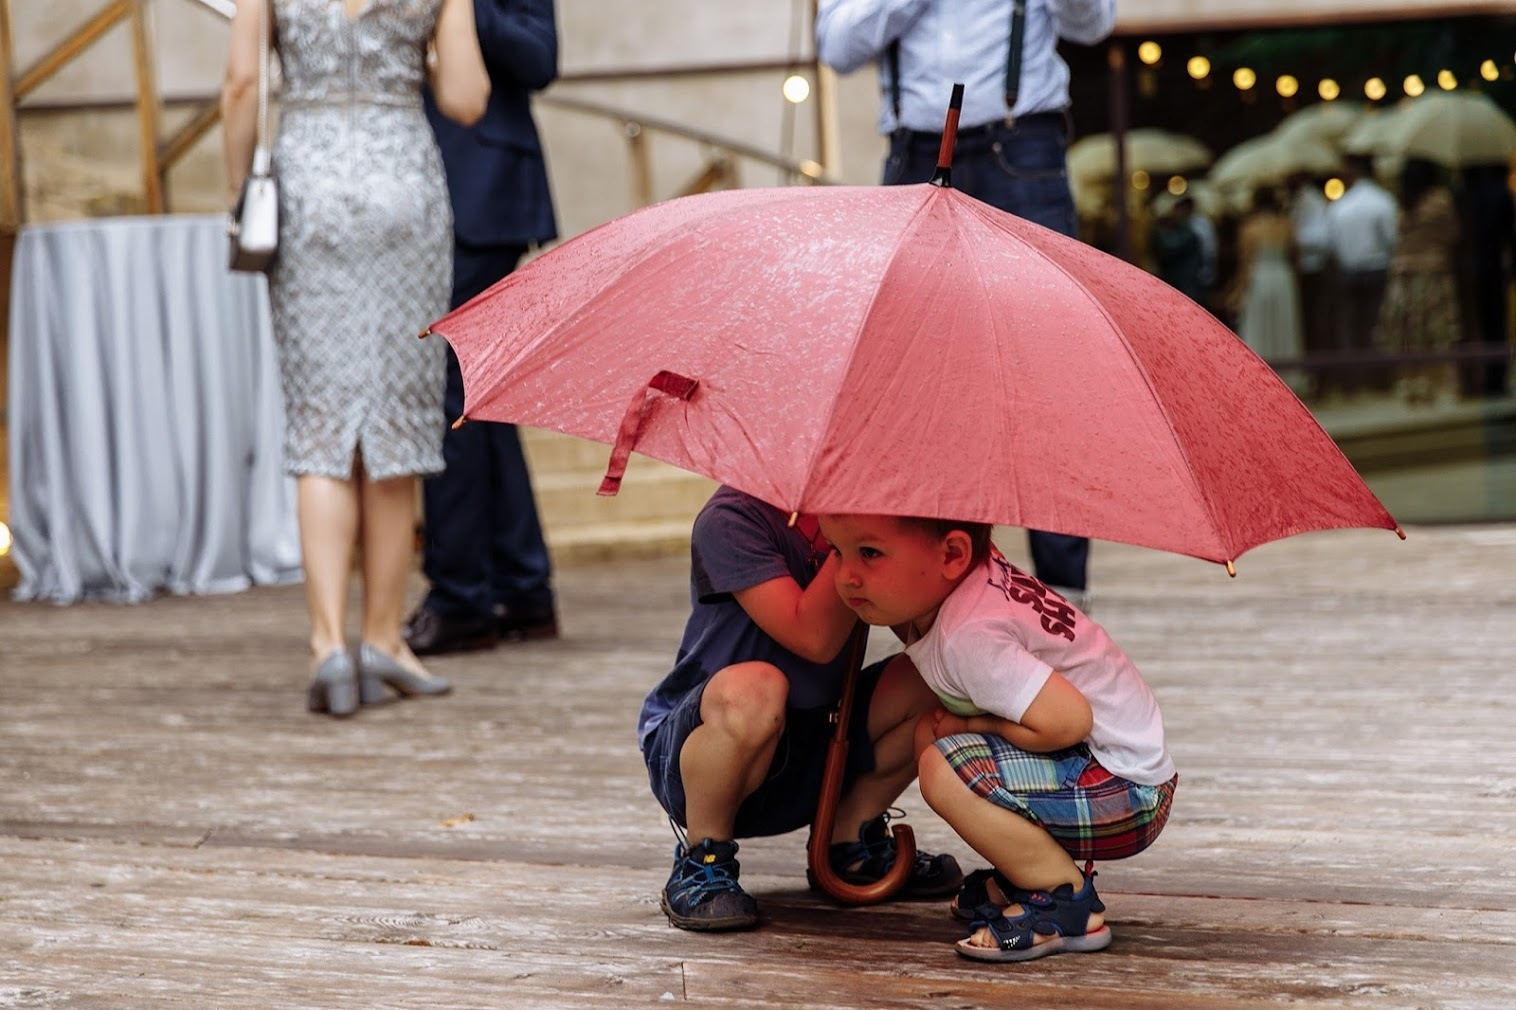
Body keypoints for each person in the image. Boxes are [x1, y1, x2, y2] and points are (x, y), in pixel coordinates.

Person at [222, 0, 489, 716]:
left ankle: (327, 646)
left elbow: (243, 83)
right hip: (404, 186)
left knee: (322, 421)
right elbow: (466, 98)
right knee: (398, 419)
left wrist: (236, 194)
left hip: (309, 189)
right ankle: (383, 637)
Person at [816, 0, 1114, 610]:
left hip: (1022, 143)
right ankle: (938, 578)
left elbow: (1094, 23)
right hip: (915, 152)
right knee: (917, 375)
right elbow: (837, 48)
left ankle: (1065, 588)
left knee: (1047, 369)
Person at [816, 511, 1176, 962]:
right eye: (835, 551)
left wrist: (970, 726)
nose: (845, 576)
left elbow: (1069, 720)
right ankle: (1024, 869)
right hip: (1113, 771)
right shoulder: (970, 584)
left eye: (869, 553)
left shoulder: (970, 636)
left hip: (1126, 795)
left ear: (952, 554)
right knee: (933, 734)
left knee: (943, 763)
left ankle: (1062, 898)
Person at [638, 486, 963, 931]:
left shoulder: (862, 513)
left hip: (822, 742)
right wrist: (858, 542)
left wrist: (918, 544)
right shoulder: (731, 518)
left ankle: (848, 840)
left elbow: (919, 625)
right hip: (714, 751)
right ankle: (703, 855)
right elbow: (813, 636)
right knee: (757, 687)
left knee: (937, 673)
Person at [404, 0, 562, 657]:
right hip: (405, 183)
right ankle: (520, 588)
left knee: (455, 403)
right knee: (478, 405)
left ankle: (464, 594)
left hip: (485, 191)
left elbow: (540, 58)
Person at [1378, 159, 1462, 407]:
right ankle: (1435, 385)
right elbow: (1453, 234)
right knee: (1435, 333)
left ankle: (1411, 385)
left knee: (1406, 335)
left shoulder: (1403, 204)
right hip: (1432, 272)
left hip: (1402, 275)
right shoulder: (1440, 202)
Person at [1324, 154, 1398, 397]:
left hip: (1349, 271)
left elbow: (1332, 245)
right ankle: (1378, 379)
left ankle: (1353, 381)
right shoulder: (1383, 201)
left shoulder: (1339, 206)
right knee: (1377, 324)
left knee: (1350, 326)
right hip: (1376, 269)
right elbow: (1391, 240)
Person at [1226, 187, 1307, 394]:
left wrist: (1237, 292)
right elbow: (1297, 255)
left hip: (1260, 277)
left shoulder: (1249, 228)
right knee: (1284, 324)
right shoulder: (1286, 225)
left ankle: (1259, 377)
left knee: (1258, 325)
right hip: (1282, 275)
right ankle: (1289, 376)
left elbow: (1245, 265)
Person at [1287, 171, 1334, 391]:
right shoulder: (1296, 203)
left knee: (1318, 325)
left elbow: (1321, 238)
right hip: (1302, 272)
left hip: (1314, 270)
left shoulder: (1313, 202)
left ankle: (1323, 378)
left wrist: (1296, 240)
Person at [1149, 193, 1206, 307]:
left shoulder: (1188, 230)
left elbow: (1170, 249)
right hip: (1185, 286)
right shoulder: (1184, 229)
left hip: (1186, 287)